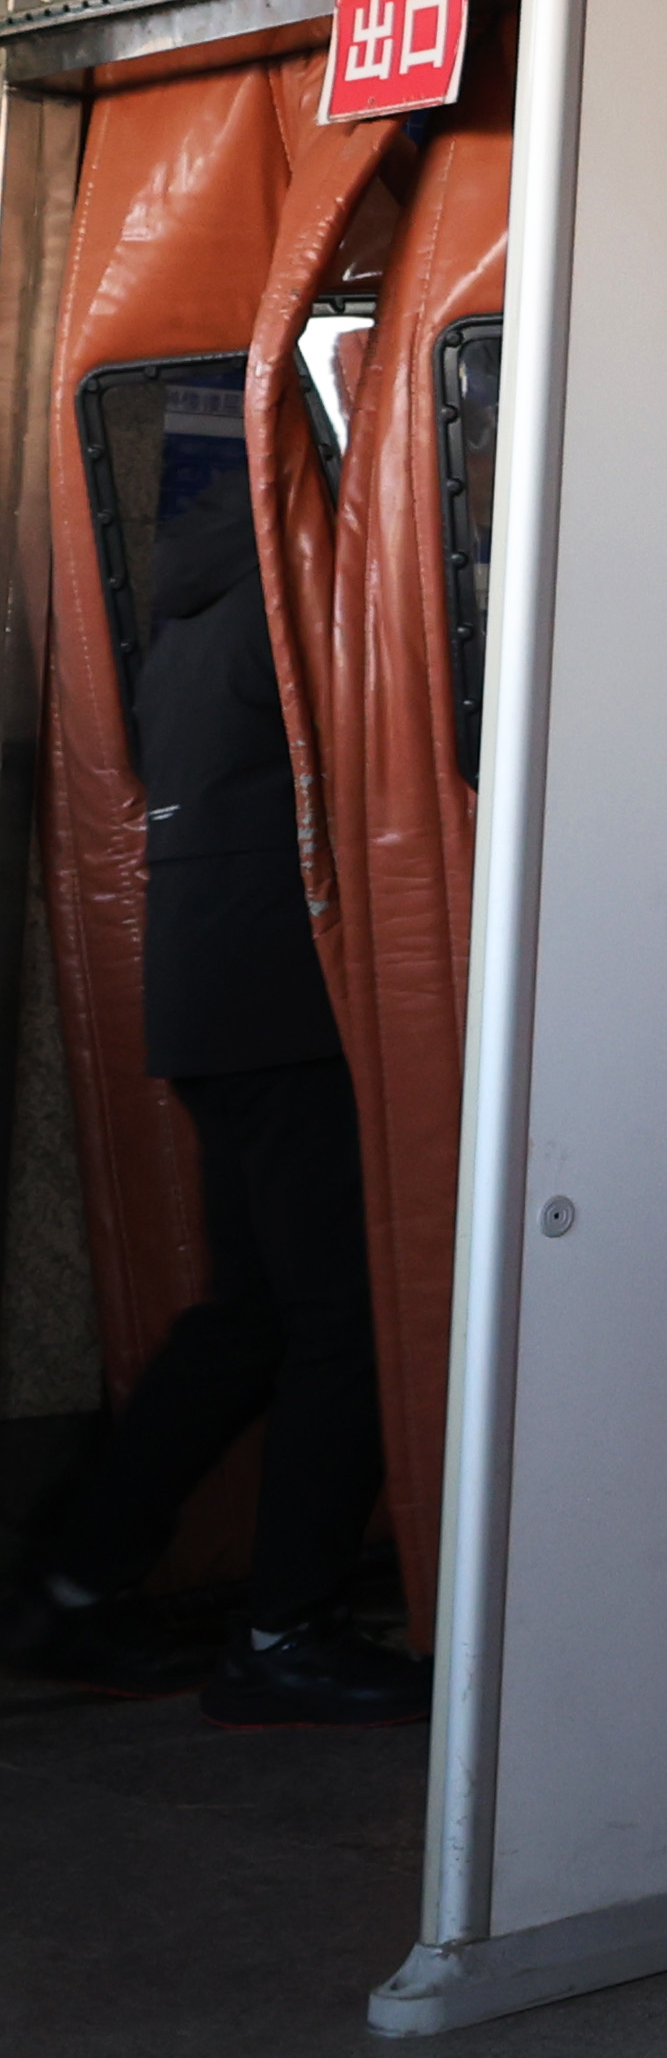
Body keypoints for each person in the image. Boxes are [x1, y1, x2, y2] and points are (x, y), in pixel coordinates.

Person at [0, 490, 422, 1725]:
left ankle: (73, 1582)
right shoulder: (301, 602)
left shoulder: (191, 610)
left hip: (206, 1001)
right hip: (287, 999)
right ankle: (285, 1632)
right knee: (343, 1320)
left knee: (248, 1317)